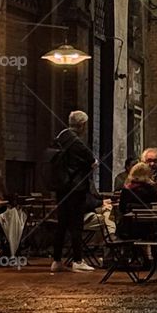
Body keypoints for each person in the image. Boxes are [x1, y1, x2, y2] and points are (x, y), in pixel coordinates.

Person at [50, 110, 98, 274]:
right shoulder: (78, 142)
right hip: (76, 189)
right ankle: (78, 260)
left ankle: (56, 260)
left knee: (61, 224)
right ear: (83, 125)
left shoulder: (60, 137)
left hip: (61, 187)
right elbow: (92, 161)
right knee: (76, 225)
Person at [117, 162, 157, 239]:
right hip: (148, 229)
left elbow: (121, 208)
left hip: (128, 229)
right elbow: (154, 207)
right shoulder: (151, 189)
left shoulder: (127, 189)